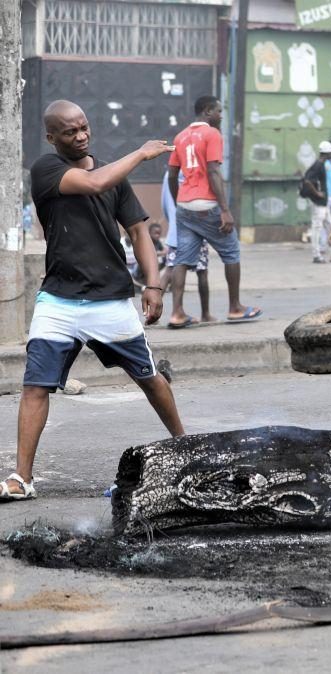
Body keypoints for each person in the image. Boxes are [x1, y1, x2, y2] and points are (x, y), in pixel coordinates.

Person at [2, 100, 184, 502]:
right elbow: (93, 184)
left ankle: (186, 448)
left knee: (149, 378)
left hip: (110, 299)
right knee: (35, 386)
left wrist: (153, 286)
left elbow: (138, 231)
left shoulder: (112, 175)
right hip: (59, 300)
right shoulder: (47, 171)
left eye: (84, 127)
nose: (81, 136)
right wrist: (140, 152)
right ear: (52, 137)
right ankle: (21, 479)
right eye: (70, 131)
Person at [167, 95, 261, 326]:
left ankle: (177, 313)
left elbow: (172, 175)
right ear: (208, 111)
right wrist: (225, 210)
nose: (221, 115)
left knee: (182, 260)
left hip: (185, 206)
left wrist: (178, 200)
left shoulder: (180, 136)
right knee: (231, 253)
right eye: (219, 111)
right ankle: (235, 307)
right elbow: (213, 172)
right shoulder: (212, 134)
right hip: (207, 205)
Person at [160, 170, 213, 324]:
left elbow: (164, 203)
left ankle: (152, 314)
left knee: (170, 270)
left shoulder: (169, 173)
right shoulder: (196, 169)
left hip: (176, 230)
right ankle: (205, 314)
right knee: (202, 271)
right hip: (195, 229)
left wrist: (172, 224)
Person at [302, 141, 331, 264]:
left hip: (323, 203)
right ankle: (316, 255)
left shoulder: (321, 164)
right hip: (318, 203)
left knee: (330, 226)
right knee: (317, 228)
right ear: (328, 153)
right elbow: (307, 181)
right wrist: (317, 193)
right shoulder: (318, 165)